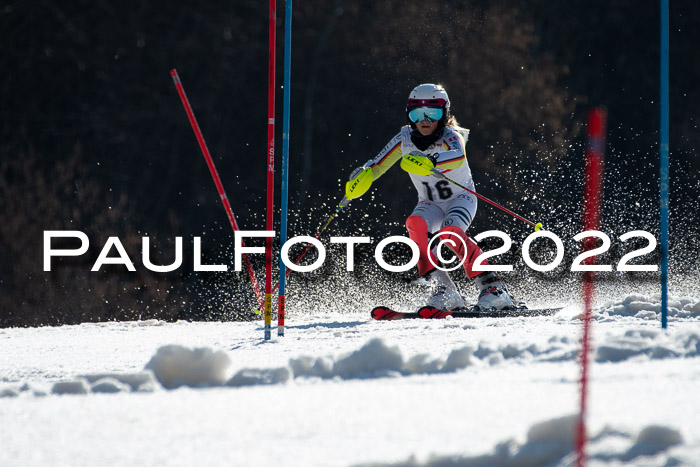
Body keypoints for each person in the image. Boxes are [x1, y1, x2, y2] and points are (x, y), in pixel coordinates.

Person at [346, 83, 517, 310]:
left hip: (461, 199)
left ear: (444, 114)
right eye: (417, 113)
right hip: (430, 203)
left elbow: (457, 156)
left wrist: (431, 161)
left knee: (449, 234)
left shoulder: (451, 135)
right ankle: (445, 290)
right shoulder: (404, 138)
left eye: (432, 113)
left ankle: (493, 287)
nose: (424, 120)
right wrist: (363, 176)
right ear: (409, 115)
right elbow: (378, 165)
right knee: (414, 223)